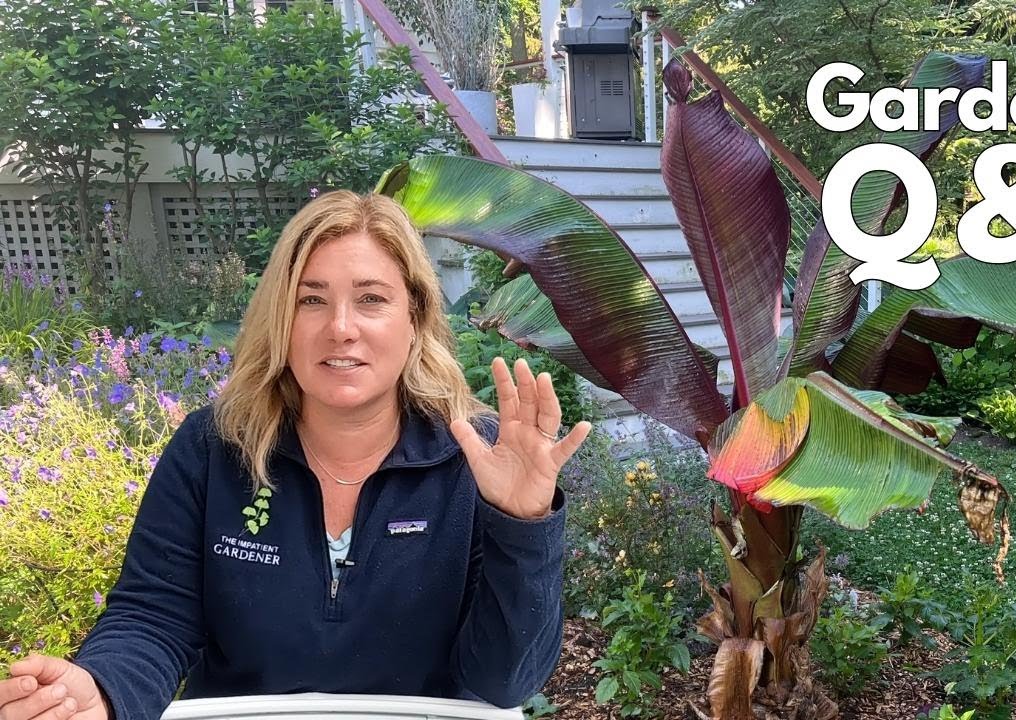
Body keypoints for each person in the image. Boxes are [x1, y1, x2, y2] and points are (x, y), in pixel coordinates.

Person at [0, 191, 590, 720]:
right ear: (281, 319)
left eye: (371, 299)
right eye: (312, 300)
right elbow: (153, 618)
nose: (341, 328)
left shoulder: (476, 460)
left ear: (415, 318)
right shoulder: (213, 447)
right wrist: (103, 692)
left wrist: (522, 526)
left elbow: (503, 682)